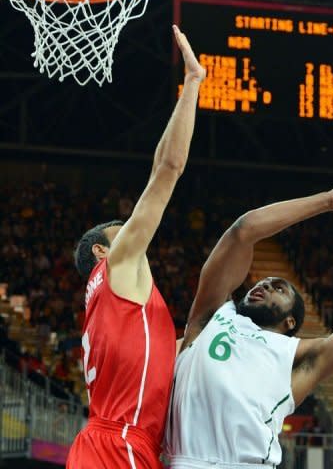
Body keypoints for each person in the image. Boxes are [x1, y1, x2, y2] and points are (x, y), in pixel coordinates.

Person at [165, 165, 333, 469]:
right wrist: (328, 201)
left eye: (279, 287)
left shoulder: (300, 360)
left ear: (290, 323)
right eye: (262, 282)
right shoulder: (210, 318)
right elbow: (243, 231)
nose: (265, 284)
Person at [66, 25, 205, 469]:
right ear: (102, 253)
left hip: (108, 441)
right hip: (119, 443)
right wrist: (193, 84)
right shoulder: (120, 266)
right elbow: (168, 169)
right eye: (119, 230)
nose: (129, 231)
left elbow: (160, 352)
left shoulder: (114, 300)